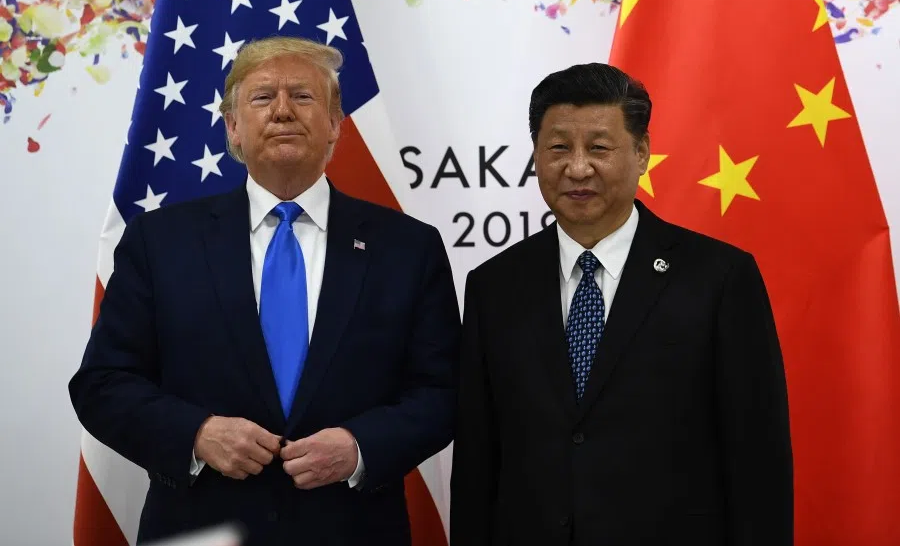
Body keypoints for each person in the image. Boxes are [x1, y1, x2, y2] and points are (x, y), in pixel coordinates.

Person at [69, 36, 460, 546]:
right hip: (201, 527)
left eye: (302, 96)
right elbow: (102, 383)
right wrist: (197, 434)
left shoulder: (408, 247)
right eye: (261, 98)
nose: (282, 111)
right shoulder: (158, 242)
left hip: (353, 528)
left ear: (336, 125)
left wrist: (360, 447)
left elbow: (444, 392)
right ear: (233, 127)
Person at [449, 63, 793, 546]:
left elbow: (758, 457)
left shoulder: (718, 278)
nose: (577, 167)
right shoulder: (494, 286)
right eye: (559, 148)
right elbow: (478, 461)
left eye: (599, 148)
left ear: (642, 153)